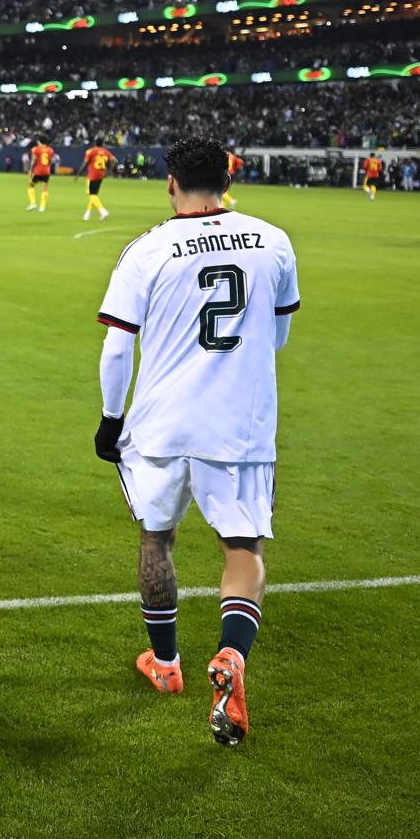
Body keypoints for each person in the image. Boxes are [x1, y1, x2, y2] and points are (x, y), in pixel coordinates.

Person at [93, 136, 299, 750]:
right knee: (242, 546)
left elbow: (116, 345)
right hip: (240, 425)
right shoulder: (274, 241)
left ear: (170, 183)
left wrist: (110, 419)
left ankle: (166, 662)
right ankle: (232, 654)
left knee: (156, 538)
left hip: (161, 424)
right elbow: (278, 335)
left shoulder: (148, 249)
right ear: (229, 175)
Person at [82, 142, 116, 221]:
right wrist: (109, 170)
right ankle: (87, 214)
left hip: (92, 176)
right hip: (101, 174)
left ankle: (102, 211)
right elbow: (114, 160)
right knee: (94, 195)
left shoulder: (90, 151)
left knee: (92, 195)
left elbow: (85, 162)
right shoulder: (105, 151)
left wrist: (78, 173)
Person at [27, 140, 55, 211]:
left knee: (31, 185)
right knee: (44, 188)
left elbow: (34, 160)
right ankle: (42, 207)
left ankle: (33, 203)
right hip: (46, 171)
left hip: (38, 170)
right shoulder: (50, 150)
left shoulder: (36, 149)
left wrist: (30, 169)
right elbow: (50, 161)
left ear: (40, 141)